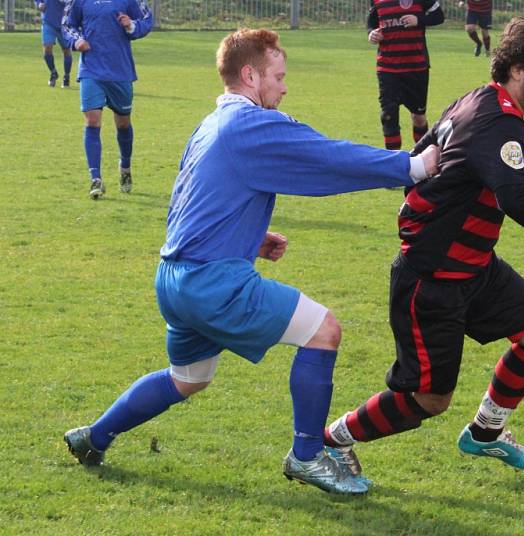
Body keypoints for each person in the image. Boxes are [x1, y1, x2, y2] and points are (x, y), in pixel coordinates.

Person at [63, 28, 440, 496]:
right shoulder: (251, 124)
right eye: (278, 76)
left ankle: (93, 436)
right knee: (324, 331)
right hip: (213, 282)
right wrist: (412, 167)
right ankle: (306, 456)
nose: (284, 87)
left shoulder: (209, 125)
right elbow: (328, 157)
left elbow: (187, 199)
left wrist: (251, 235)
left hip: (174, 279)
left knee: (189, 377)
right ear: (249, 75)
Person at [323, 15, 524, 487]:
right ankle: (331, 442)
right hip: (433, 279)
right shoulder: (499, 123)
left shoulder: (475, 99)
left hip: (474, 266)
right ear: (517, 70)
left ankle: (485, 430)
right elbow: (513, 198)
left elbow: (424, 153)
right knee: (430, 399)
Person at [62, 0, 153, 199]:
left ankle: (125, 167)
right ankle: (95, 178)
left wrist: (131, 25)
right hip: (91, 69)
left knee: (123, 123)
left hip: (120, 70)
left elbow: (147, 20)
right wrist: (77, 40)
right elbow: (67, 24)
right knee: (92, 121)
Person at [367, 0, 444, 150]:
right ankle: (393, 163)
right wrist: (371, 33)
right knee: (388, 117)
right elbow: (372, 21)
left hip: (416, 67)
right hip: (387, 67)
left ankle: (420, 158)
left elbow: (439, 17)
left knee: (418, 118)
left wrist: (419, 20)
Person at [35, 0, 73, 87]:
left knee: (66, 50)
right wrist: (39, 3)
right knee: (47, 48)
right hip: (48, 22)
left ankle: (66, 76)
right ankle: (53, 73)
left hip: (64, 24)